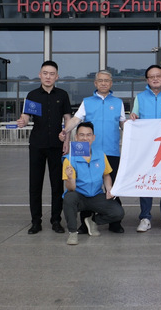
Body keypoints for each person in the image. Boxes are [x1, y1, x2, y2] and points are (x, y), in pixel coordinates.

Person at [59, 70, 126, 233]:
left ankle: (115, 222)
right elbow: (76, 119)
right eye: (100, 80)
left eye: (107, 80)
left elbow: (124, 124)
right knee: (86, 186)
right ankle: (84, 223)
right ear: (95, 83)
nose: (103, 83)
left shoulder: (118, 102)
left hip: (111, 150)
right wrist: (65, 131)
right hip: (87, 150)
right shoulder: (87, 102)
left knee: (113, 186)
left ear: (111, 83)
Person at [17, 60, 72, 235]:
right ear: (40, 75)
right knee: (35, 184)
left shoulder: (62, 95)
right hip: (37, 145)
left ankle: (56, 220)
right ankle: (36, 221)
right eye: (45, 73)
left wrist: (67, 140)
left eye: (52, 74)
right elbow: (26, 116)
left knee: (57, 185)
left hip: (57, 145)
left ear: (57, 77)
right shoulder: (32, 95)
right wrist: (22, 121)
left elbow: (68, 119)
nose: (48, 77)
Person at [130, 65, 161, 232]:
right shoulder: (140, 97)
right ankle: (145, 217)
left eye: (158, 76)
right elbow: (134, 117)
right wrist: (133, 117)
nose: (155, 79)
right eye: (151, 76)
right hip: (146, 148)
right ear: (147, 80)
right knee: (146, 181)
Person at [63, 122, 125, 245]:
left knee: (118, 212)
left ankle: (93, 221)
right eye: (81, 135)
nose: (85, 138)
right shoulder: (70, 159)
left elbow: (106, 175)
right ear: (76, 137)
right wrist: (70, 178)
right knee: (69, 198)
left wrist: (109, 188)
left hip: (96, 195)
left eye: (88, 135)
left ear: (93, 137)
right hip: (79, 196)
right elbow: (71, 188)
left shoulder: (101, 155)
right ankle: (73, 233)